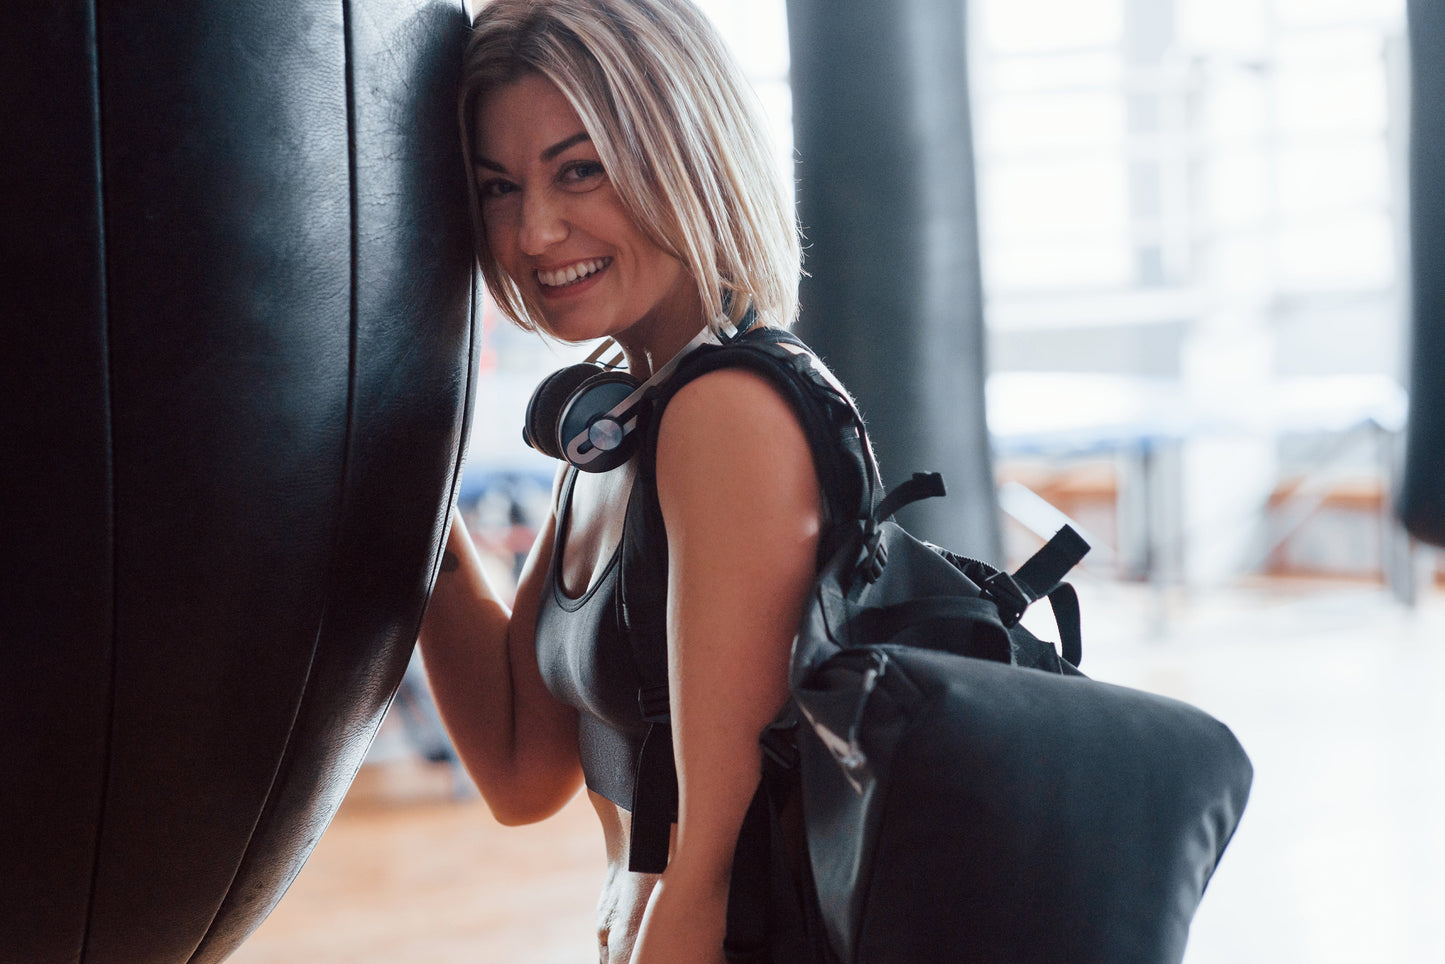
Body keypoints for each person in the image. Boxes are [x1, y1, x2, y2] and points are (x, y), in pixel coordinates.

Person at [418, 1, 829, 961]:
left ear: (680, 149)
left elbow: (718, 868)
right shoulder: (621, 427)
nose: (533, 232)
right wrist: (405, 498)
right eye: (497, 188)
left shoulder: (725, 416)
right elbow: (523, 768)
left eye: (578, 169)